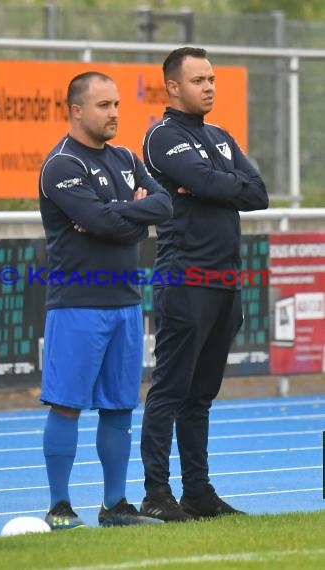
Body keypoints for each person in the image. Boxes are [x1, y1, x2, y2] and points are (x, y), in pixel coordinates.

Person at [139, 47, 269, 522]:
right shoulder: (161, 136)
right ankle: (157, 493)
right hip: (185, 279)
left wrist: (215, 182)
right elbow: (220, 186)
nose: (209, 86)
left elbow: (259, 194)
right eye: (199, 80)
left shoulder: (219, 135)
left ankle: (198, 492)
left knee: (201, 396)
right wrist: (219, 183)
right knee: (170, 391)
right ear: (173, 86)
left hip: (226, 283)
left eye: (212, 79)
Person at [39, 71, 172, 529]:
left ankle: (115, 507)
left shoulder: (126, 157)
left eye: (117, 104)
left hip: (126, 303)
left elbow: (164, 206)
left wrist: (116, 216)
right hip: (77, 304)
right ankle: (60, 507)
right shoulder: (61, 164)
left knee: (118, 406)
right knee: (67, 404)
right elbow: (101, 221)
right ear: (76, 110)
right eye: (104, 105)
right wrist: (128, 216)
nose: (114, 113)